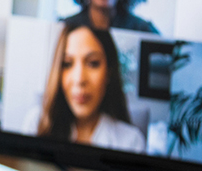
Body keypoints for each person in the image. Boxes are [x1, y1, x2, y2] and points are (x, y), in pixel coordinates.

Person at [23, 21, 145, 152]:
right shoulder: (36, 124)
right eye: (67, 64)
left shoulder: (131, 142)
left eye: (93, 63)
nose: (79, 79)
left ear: (109, 71)